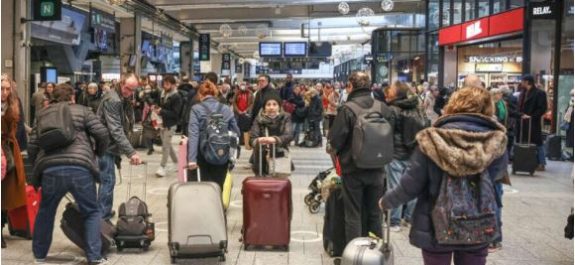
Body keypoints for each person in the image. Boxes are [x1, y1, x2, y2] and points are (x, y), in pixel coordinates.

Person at [379, 86, 508, 265]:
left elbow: (411, 184)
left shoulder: (432, 139)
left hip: (436, 223)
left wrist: (387, 201)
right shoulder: (496, 140)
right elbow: (496, 176)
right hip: (478, 221)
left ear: (453, 104)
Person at [28, 84, 110, 265]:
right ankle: (94, 256)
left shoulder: (42, 114)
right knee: (91, 212)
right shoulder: (83, 111)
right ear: (73, 97)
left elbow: (33, 145)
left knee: (46, 212)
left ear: (53, 97)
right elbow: (102, 133)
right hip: (80, 169)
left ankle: (39, 255)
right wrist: (97, 153)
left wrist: (37, 167)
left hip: (50, 170)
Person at [328, 71, 396, 243]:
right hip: (378, 169)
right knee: (375, 213)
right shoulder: (383, 108)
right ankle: (375, 252)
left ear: (350, 86)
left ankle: (355, 255)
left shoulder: (347, 109)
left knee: (353, 214)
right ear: (370, 86)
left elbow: (336, 140)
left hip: (353, 169)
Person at [97, 73, 143, 221]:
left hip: (109, 146)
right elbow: (115, 129)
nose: (129, 93)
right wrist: (131, 152)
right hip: (105, 147)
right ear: (121, 83)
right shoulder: (113, 100)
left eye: (133, 90)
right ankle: (102, 217)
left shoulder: (122, 98)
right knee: (107, 181)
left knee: (108, 181)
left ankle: (104, 212)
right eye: (128, 89)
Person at [384, 81, 427, 232]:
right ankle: (409, 218)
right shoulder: (418, 107)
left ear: (397, 93)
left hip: (396, 153)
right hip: (414, 153)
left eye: (391, 90)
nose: (388, 92)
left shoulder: (393, 109)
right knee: (412, 187)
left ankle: (394, 221)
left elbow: (386, 132)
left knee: (395, 187)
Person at [187, 81, 239, 190]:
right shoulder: (225, 108)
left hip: (202, 154)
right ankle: (218, 206)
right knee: (218, 187)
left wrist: (192, 159)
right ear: (215, 94)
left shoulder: (196, 109)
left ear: (200, 95)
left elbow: (194, 134)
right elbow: (236, 132)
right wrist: (233, 157)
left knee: (203, 188)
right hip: (222, 153)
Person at [1, 74, 27, 249]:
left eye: (7, 89)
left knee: (6, 193)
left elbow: (19, 129)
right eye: (1, 88)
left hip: (9, 151)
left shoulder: (14, 104)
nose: (4, 92)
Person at [249, 94, 293, 175]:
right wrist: (259, 140)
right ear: (264, 107)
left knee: (279, 183)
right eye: (268, 104)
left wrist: (275, 139)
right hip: (260, 157)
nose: (271, 107)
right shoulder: (258, 119)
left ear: (279, 107)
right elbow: (252, 138)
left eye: (274, 104)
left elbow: (289, 135)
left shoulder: (285, 117)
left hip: (280, 156)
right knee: (262, 184)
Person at [517, 75, 547, 171]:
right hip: (523, 122)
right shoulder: (523, 93)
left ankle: (541, 163)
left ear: (527, 82)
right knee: (526, 142)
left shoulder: (539, 93)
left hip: (533, 122)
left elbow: (542, 108)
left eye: (523, 81)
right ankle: (530, 161)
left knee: (537, 142)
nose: (521, 83)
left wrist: (532, 116)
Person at [154, 75, 182, 177]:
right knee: (168, 145)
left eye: (167, 84)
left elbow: (175, 114)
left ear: (173, 85)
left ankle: (162, 167)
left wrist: (162, 111)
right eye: (164, 84)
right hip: (162, 123)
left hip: (171, 124)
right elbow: (161, 106)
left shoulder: (176, 97)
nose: (165, 86)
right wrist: (157, 108)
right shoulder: (163, 94)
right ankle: (177, 163)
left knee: (165, 146)